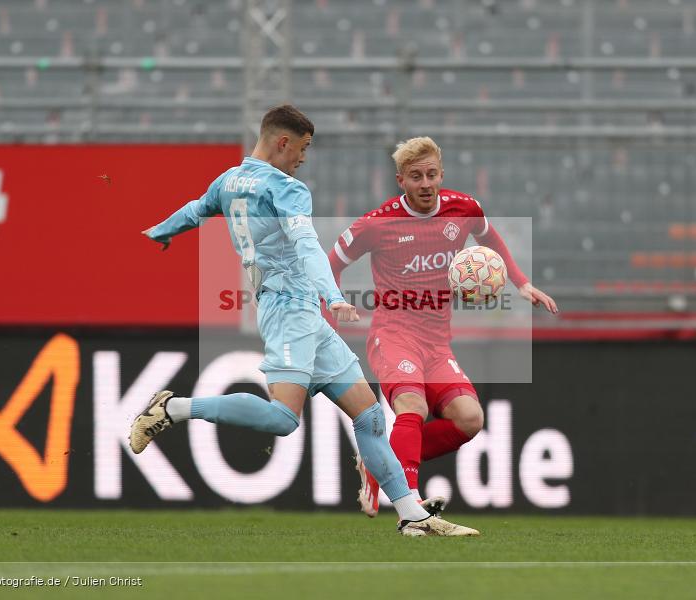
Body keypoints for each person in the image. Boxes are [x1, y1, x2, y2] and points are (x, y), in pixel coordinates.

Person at [130, 106, 478, 536]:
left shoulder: (229, 180)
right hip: (288, 309)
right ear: (283, 142)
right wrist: (333, 296)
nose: (304, 158)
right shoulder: (285, 187)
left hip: (299, 311)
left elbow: (196, 209)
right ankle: (173, 408)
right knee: (283, 419)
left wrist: (164, 230)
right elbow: (308, 244)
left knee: (369, 416)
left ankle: (412, 516)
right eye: (303, 148)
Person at [327, 136, 558, 517]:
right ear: (401, 180)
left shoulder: (463, 208)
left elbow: (489, 237)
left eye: (432, 174)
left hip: (436, 343)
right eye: (416, 176)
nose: (425, 184)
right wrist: (334, 300)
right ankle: (411, 500)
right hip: (393, 335)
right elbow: (331, 262)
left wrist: (521, 282)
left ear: (441, 174)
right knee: (413, 407)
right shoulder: (378, 223)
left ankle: (378, 461)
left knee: (470, 419)